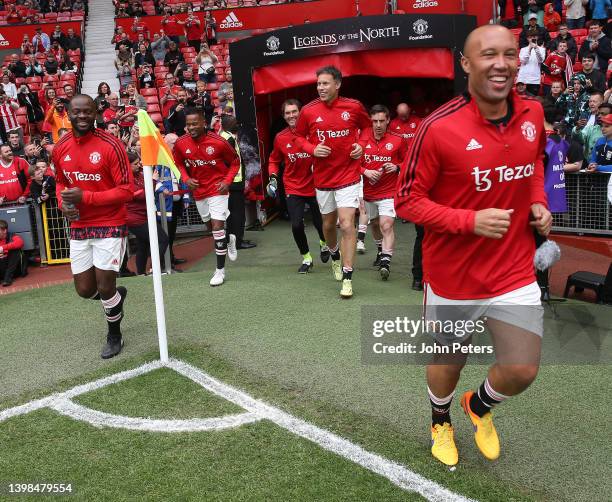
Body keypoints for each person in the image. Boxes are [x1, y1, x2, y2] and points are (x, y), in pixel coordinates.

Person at [395, 25, 552, 467]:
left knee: (522, 369)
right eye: (488, 55)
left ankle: (478, 405)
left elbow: (534, 162)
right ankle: (440, 419)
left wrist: (538, 201)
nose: (500, 64)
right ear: (466, 64)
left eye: (509, 54)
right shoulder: (437, 128)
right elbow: (406, 201)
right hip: (454, 276)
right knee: (451, 359)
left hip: (513, 267)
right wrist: (468, 221)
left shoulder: (533, 113)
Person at [53, 95, 134, 359]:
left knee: (106, 286)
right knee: (85, 290)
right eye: (77, 112)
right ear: (68, 113)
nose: (83, 116)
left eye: (88, 112)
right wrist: (62, 204)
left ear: (96, 112)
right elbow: (60, 183)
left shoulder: (112, 145)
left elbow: (127, 190)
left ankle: (114, 335)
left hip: (110, 223)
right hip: (79, 226)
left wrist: (85, 198)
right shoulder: (61, 147)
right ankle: (115, 300)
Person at [294, 65, 370, 299]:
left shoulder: (354, 107)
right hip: (324, 178)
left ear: (337, 84)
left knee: (347, 224)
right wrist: (312, 148)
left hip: (349, 175)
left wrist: (362, 145)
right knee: (328, 225)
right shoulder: (308, 111)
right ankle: (334, 256)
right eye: (318, 84)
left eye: (325, 83)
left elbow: (366, 128)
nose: (321, 88)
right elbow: (297, 136)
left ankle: (347, 277)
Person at [173, 107, 240, 286]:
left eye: (195, 123)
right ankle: (228, 239)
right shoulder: (181, 143)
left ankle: (220, 271)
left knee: (217, 228)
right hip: (199, 192)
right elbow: (177, 162)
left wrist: (227, 181)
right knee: (211, 228)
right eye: (188, 125)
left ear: (204, 123)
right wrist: (186, 178)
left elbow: (235, 162)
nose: (191, 127)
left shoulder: (219, 142)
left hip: (218, 189)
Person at [268, 99, 327, 273]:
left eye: (294, 111)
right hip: (293, 186)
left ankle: (324, 243)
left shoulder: (313, 132)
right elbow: (274, 160)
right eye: (288, 113)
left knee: (320, 223)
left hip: (316, 184)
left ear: (301, 113)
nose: (291, 115)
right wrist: (272, 177)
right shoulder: (280, 137)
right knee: (296, 225)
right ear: (284, 116)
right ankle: (307, 258)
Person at [359, 104, 407, 280]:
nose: (378, 125)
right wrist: (365, 171)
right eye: (374, 121)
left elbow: (408, 162)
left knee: (386, 224)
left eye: (381, 121)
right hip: (368, 192)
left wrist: (396, 167)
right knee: (374, 224)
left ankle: (386, 261)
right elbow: (350, 163)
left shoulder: (398, 140)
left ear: (388, 120)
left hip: (389, 191)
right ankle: (380, 250)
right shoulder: (362, 138)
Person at [126, 151, 169, 275]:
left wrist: (152, 181)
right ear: (127, 165)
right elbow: (140, 195)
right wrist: (153, 181)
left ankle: (141, 274)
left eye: (138, 162)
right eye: (135, 163)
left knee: (143, 245)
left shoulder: (139, 174)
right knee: (162, 239)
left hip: (144, 215)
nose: (139, 165)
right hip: (134, 218)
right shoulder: (124, 178)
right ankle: (153, 269)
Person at [219, 114, 257, 250]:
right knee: (237, 215)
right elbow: (228, 162)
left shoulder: (225, 136)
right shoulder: (228, 139)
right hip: (233, 184)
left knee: (233, 214)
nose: (238, 124)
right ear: (228, 124)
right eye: (235, 122)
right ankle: (237, 242)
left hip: (232, 183)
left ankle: (234, 240)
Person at [0, 219, 24, 287]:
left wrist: (3, 248)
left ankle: (7, 279)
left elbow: (20, 243)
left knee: (15, 251)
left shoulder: (12, 236)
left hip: (14, 270)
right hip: (2, 268)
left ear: (4, 230)